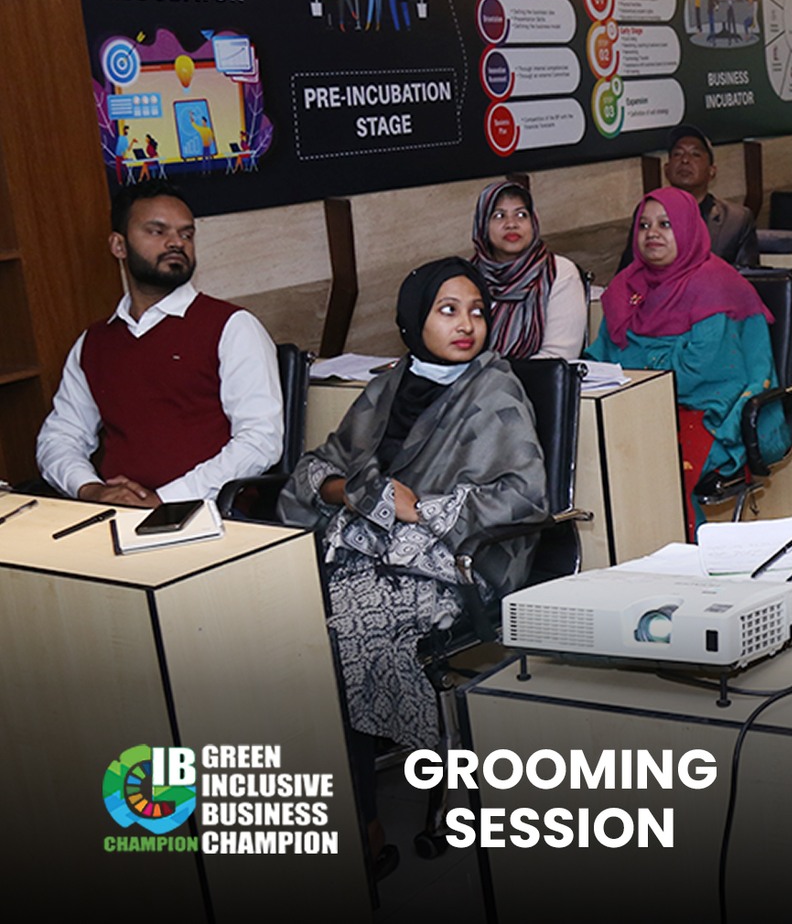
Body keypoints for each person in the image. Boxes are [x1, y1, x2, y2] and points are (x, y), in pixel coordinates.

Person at [279, 258, 547, 876]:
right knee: (285, 625)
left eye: (476, 311)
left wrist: (419, 508)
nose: (467, 325)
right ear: (413, 320)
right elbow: (319, 466)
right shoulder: (390, 386)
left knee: (335, 638)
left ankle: (361, 824)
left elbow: (525, 498)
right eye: (448, 311)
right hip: (365, 555)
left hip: (456, 568)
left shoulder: (495, 390)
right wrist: (350, 493)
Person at [37, 182, 283, 506]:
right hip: (116, 513)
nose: (176, 243)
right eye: (157, 231)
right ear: (119, 245)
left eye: (186, 234)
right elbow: (59, 437)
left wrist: (164, 500)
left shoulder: (232, 327)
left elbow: (261, 441)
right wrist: (90, 489)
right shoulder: (94, 343)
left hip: (208, 513)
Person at [589, 188, 789, 511]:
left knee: (651, 466)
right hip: (637, 408)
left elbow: (699, 371)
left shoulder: (714, 284)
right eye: (644, 225)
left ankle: (675, 543)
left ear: (687, 228)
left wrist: (634, 368)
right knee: (594, 456)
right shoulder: (627, 286)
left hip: (712, 413)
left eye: (665, 224)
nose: (652, 233)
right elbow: (602, 356)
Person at [468, 180, 587, 360]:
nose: (511, 224)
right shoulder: (467, 276)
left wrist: (498, 375)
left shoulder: (559, 272)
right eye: (499, 216)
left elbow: (559, 356)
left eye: (521, 215)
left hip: (537, 375)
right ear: (482, 224)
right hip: (469, 376)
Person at [653, 123, 759, 266]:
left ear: (712, 171)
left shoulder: (737, 220)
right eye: (677, 154)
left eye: (695, 154)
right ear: (666, 170)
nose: (685, 160)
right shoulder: (650, 215)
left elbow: (748, 276)